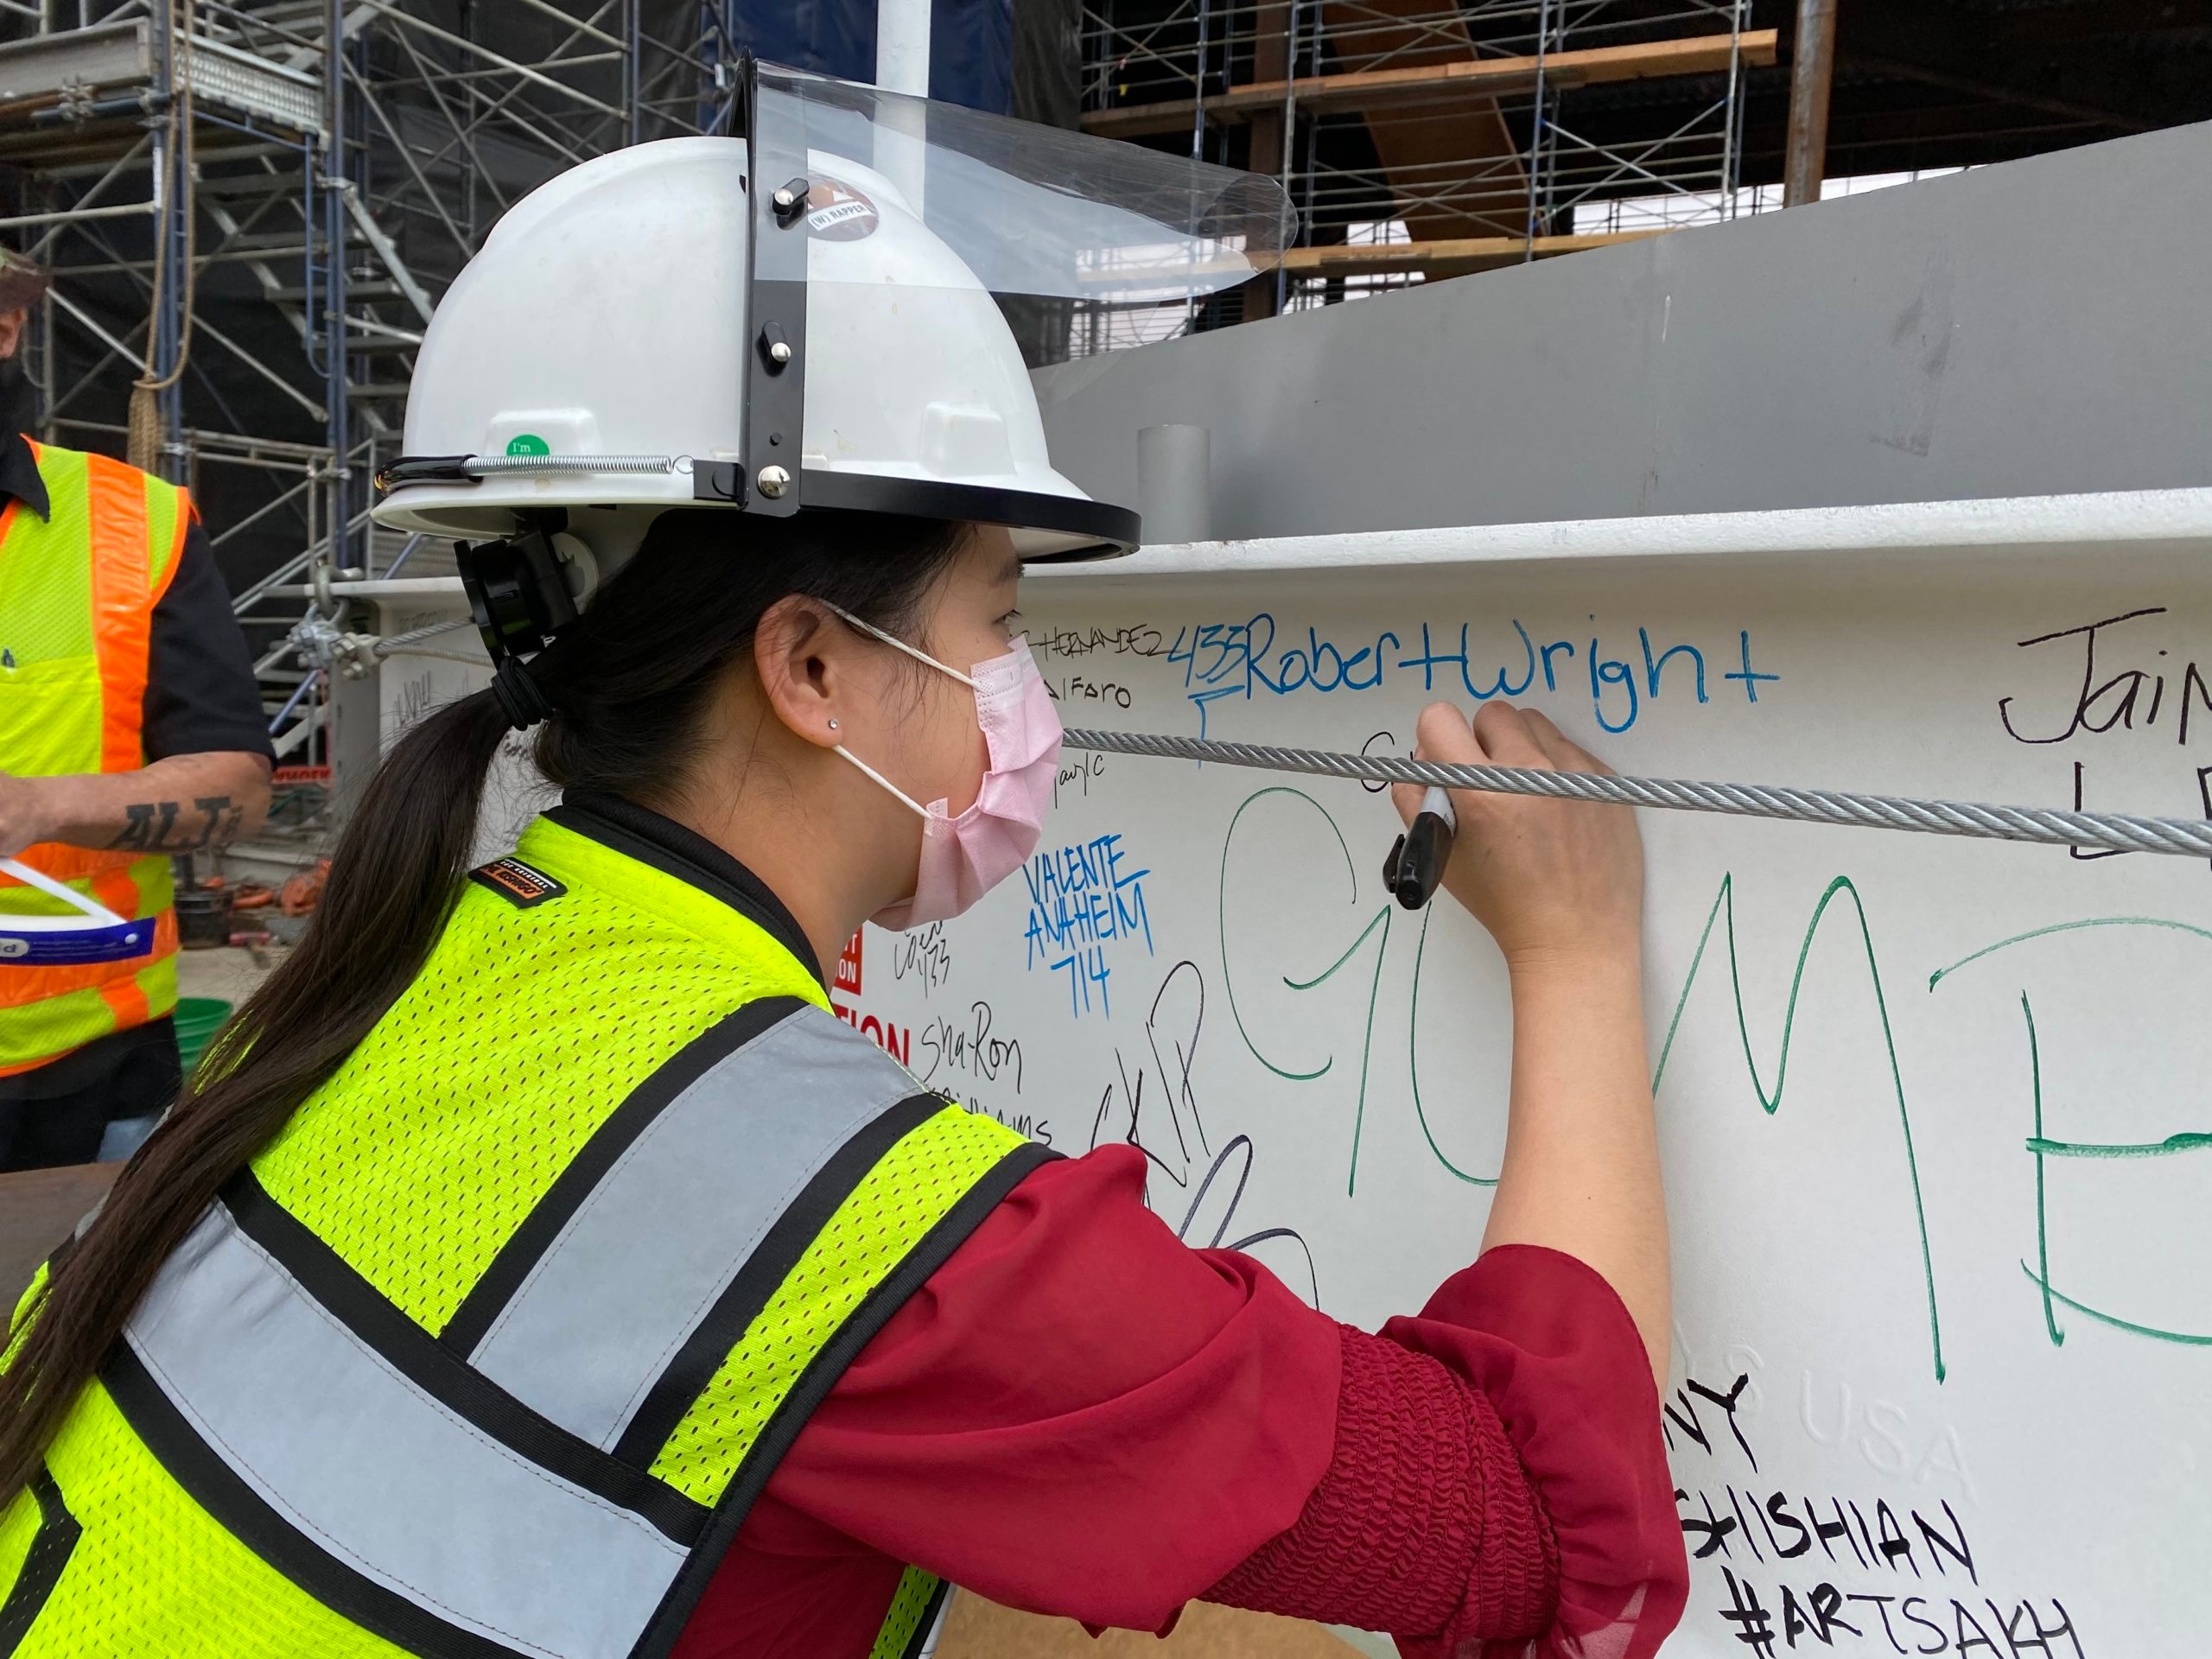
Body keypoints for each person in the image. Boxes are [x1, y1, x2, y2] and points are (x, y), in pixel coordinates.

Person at [0, 97, 1684, 1659]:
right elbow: (1545, 1537)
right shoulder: (851, 1227)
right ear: (807, 666)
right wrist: (1577, 947)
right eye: (998, 626)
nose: (1017, 700)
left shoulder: (423, 959)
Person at [0, 253, 272, 1172]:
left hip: (79, 1081)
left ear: (4, 328)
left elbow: (237, 786)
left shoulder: (132, 526)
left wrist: (38, 808)